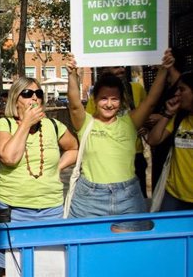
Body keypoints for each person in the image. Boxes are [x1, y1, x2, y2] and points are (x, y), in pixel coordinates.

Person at [0, 77, 78, 277]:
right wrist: (25, 124)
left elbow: (74, 147)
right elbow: (9, 157)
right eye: (27, 94)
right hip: (15, 209)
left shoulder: (54, 125)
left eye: (38, 94)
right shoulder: (4, 124)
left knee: (49, 264)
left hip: (50, 207)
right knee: (12, 267)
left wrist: (57, 167)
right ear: (16, 99)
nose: (34, 98)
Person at [65, 50, 174, 219]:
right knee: (86, 244)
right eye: (103, 98)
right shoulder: (86, 123)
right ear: (94, 100)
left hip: (128, 198)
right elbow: (74, 105)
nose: (109, 104)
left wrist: (164, 69)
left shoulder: (129, 123)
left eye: (114, 99)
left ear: (122, 101)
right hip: (90, 199)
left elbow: (151, 101)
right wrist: (72, 74)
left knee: (132, 245)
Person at [85, 65, 150, 194]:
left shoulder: (136, 88)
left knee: (136, 196)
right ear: (106, 70)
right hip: (107, 152)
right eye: (116, 67)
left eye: (122, 67)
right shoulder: (96, 98)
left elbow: (147, 111)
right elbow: (89, 121)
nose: (121, 70)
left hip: (135, 153)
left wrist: (145, 126)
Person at [147, 71, 193, 211]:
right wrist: (168, 114)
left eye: (182, 89)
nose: (177, 94)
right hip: (173, 193)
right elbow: (153, 140)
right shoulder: (180, 118)